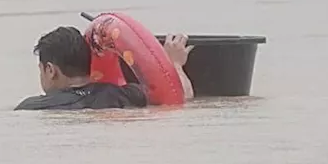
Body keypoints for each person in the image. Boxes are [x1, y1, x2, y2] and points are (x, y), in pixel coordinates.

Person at [15, 26, 194, 111]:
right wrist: (174, 64)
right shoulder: (122, 95)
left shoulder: (32, 107)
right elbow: (180, 97)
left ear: (50, 70)